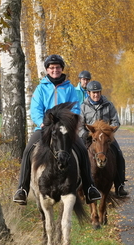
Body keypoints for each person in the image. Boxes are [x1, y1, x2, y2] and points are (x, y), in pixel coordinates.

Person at [13, 55, 101, 205]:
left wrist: (69, 122)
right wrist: (42, 122)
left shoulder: (69, 88)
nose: (55, 70)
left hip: (65, 129)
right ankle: (22, 189)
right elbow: (35, 109)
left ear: (61, 69)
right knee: (28, 150)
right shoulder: (41, 88)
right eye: (52, 67)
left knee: (81, 149)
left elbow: (75, 108)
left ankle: (89, 187)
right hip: (45, 128)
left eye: (58, 67)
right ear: (47, 70)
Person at [79, 80, 129, 197]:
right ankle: (78, 184)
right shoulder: (83, 107)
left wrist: (108, 132)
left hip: (106, 138)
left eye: (98, 92)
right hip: (89, 137)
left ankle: (119, 185)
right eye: (93, 93)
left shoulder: (109, 105)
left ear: (100, 92)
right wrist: (86, 134)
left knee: (119, 154)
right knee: (78, 154)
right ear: (89, 93)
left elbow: (116, 121)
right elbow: (80, 124)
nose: (96, 95)